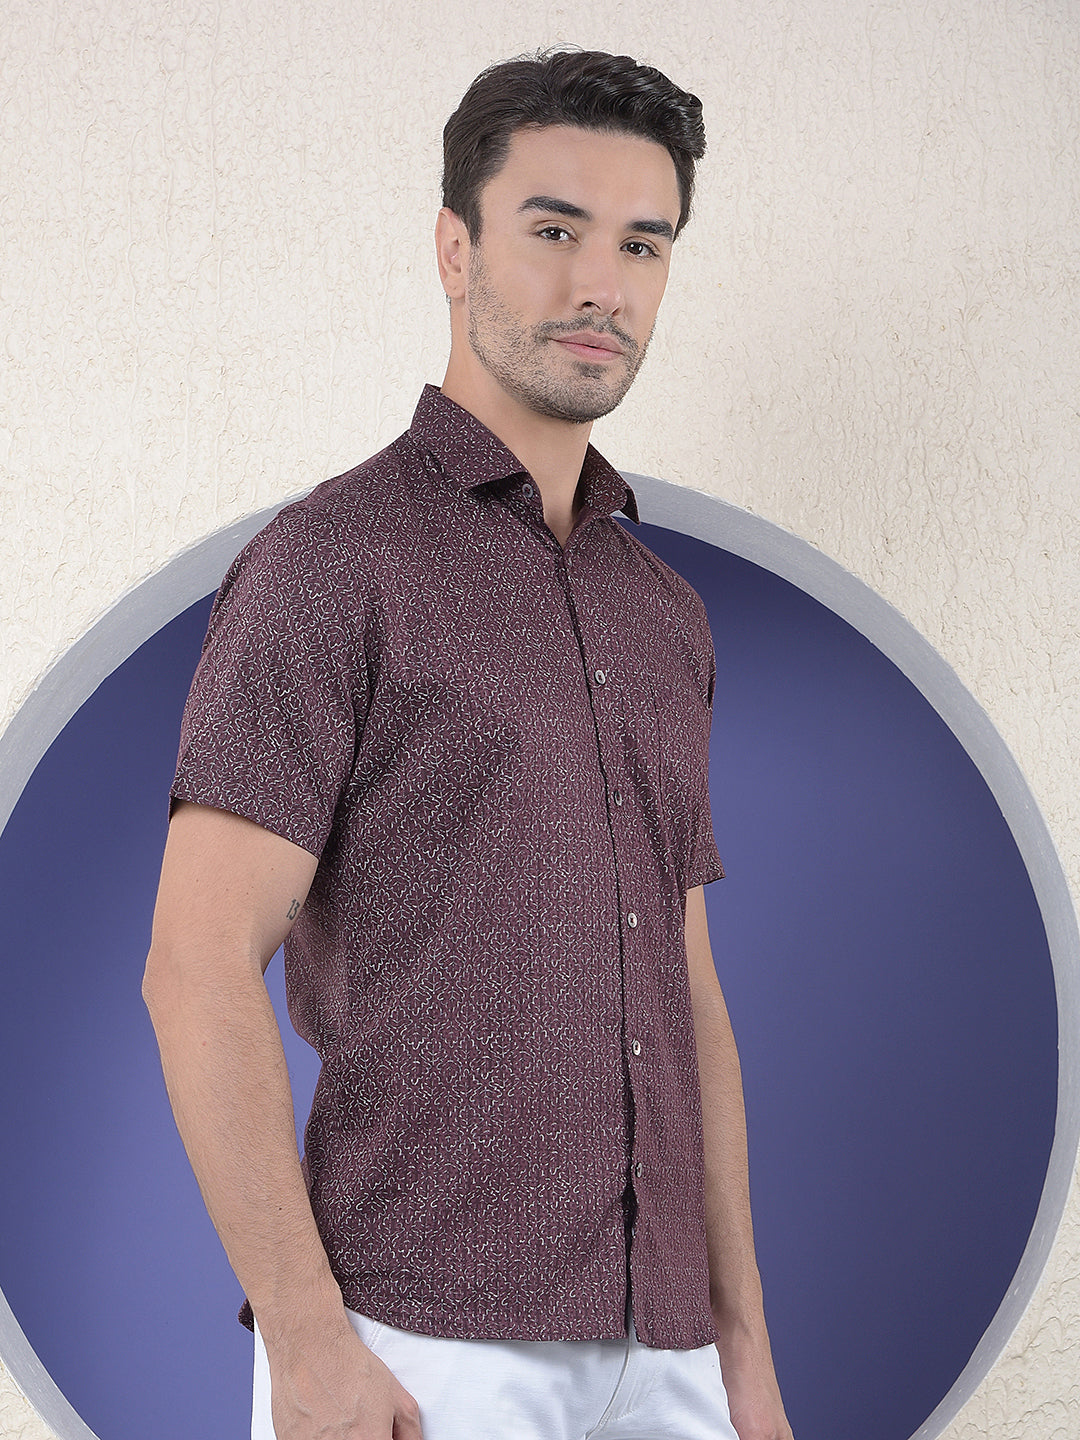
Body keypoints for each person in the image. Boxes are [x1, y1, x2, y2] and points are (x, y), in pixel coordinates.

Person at [143, 46, 793, 1440]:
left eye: (642, 245)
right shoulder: (331, 565)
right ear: (455, 249)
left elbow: (687, 995)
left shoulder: (665, 613)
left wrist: (743, 1351)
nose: (601, 285)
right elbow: (195, 964)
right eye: (555, 230)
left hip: (671, 1354)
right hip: (418, 1350)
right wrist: (308, 1346)